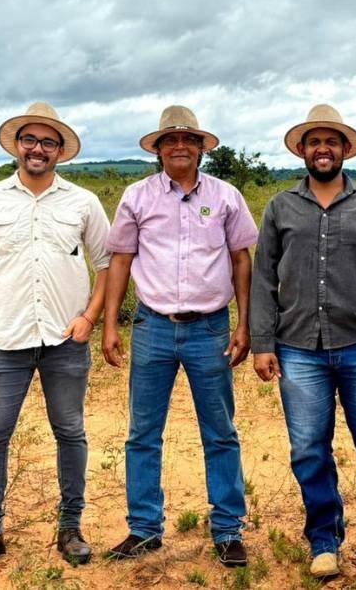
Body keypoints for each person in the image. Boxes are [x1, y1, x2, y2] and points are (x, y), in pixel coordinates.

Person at [250, 104, 356, 588]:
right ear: (303, 151)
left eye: (331, 142)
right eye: (314, 142)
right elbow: (263, 279)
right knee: (309, 449)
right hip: (298, 349)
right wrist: (263, 343)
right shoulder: (281, 207)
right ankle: (324, 542)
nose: (322, 149)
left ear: (345, 150)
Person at [0, 102, 110, 570]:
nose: (38, 149)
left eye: (48, 142)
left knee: (70, 432)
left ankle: (70, 527)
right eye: (30, 140)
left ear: (60, 151)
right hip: (6, 339)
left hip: (66, 341)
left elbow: (109, 264)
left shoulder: (83, 203)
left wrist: (91, 318)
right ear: (18, 146)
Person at [101, 105, 258, 568]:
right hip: (153, 327)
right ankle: (144, 528)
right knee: (143, 434)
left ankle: (228, 529)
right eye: (170, 141)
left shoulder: (227, 196)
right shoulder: (137, 196)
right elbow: (121, 260)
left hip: (210, 328)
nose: (180, 147)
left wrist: (244, 323)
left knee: (221, 431)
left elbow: (242, 260)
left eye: (189, 140)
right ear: (158, 150)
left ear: (202, 148)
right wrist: (112, 324)